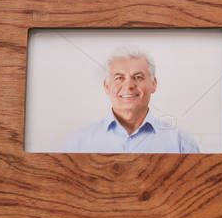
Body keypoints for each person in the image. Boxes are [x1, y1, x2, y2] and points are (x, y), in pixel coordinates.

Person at [61, 47, 200, 153]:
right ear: (107, 86)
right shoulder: (77, 143)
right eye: (119, 78)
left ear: (154, 84)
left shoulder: (182, 143)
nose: (128, 85)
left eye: (138, 77)